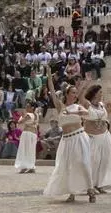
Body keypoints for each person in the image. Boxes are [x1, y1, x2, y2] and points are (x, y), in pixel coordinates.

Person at [43, 65, 96, 203]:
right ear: (67, 94)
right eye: (72, 92)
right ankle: (72, 192)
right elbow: (52, 91)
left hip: (79, 137)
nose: (75, 94)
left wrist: (86, 83)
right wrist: (49, 74)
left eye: (75, 92)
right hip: (66, 140)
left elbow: (87, 114)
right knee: (67, 166)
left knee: (84, 163)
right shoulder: (61, 106)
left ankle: (90, 189)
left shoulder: (78, 107)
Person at [79, 83, 111, 194]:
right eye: (100, 92)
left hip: (105, 135)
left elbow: (107, 116)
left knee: (104, 160)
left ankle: (99, 184)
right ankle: (89, 185)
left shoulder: (102, 105)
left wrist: (110, 110)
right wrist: (84, 85)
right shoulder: (87, 104)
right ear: (95, 93)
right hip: (92, 137)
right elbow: (80, 98)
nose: (102, 94)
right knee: (92, 161)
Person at [15, 102, 39, 173]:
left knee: (25, 150)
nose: (26, 108)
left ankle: (24, 167)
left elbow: (20, 122)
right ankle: (31, 166)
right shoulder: (36, 115)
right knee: (31, 150)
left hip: (27, 133)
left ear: (32, 108)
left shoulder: (29, 115)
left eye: (28, 106)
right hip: (33, 134)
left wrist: (22, 116)